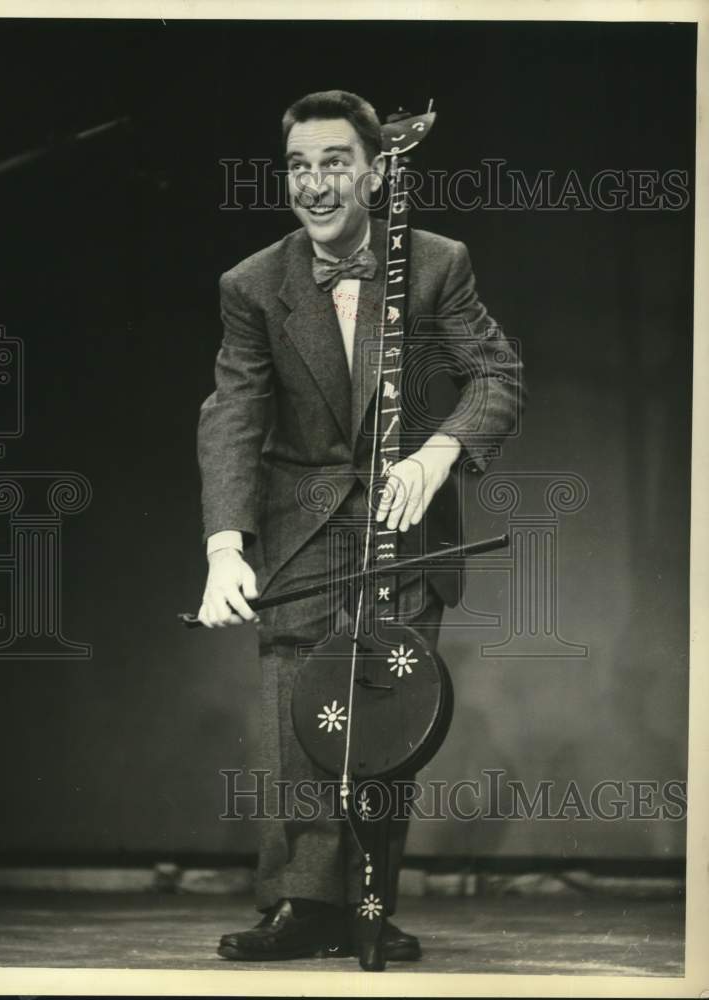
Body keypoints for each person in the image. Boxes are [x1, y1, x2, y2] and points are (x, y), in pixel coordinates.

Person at [197, 89, 524, 962]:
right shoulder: (253, 285)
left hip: (405, 522)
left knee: (382, 713)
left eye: (335, 162)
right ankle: (303, 908)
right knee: (296, 715)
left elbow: (496, 376)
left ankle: (369, 904)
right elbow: (232, 413)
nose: (315, 183)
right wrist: (225, 546)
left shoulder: (435, 263)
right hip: (301, 526)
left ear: (374, 173)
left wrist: (437, 455)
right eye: (299, 166)